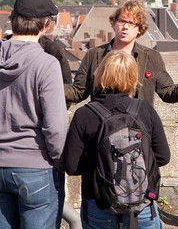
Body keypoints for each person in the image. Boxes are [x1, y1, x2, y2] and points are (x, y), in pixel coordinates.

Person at [0, 0, 68, 228]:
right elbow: (55, 127)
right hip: (37, 168)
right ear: (46, 25)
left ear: (13, 18)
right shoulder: (46, 64)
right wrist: (59, 161)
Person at [64, 51, 170, 228]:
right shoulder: (145, 110)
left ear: (100, 74)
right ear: (133, 78)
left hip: (99, 206)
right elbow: (163, 157)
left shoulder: (84, 114)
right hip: (142, 207)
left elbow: (71, 166)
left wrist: (100, 163)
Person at [65, 0, 178, 105]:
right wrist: (50, 87)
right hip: (103, 129)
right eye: (122, 21)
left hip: (138, 128)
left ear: (140, 29)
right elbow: (78, 91)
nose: (125, 27)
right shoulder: (94, 55)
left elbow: (167, 93)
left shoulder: (151, 57)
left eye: (132, 23)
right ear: (114, 23)